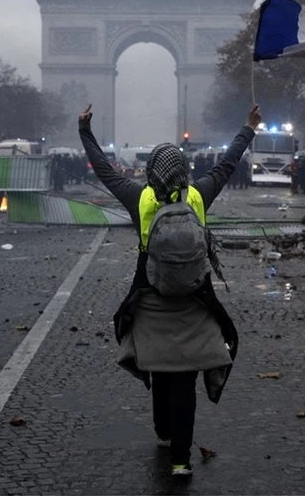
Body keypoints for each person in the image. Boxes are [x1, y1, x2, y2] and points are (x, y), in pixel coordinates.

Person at [78, 102, 261, 477]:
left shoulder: (138, 197)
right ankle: (180, 459)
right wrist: (247, 128)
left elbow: (105, 171)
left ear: (150, 173)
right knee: (185, 378)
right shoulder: (198, 196)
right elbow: (226, 165)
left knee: (161, 369)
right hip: (196, 299)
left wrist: (85, 131)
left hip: (150, 298)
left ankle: (163, 432)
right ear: (184, 171)